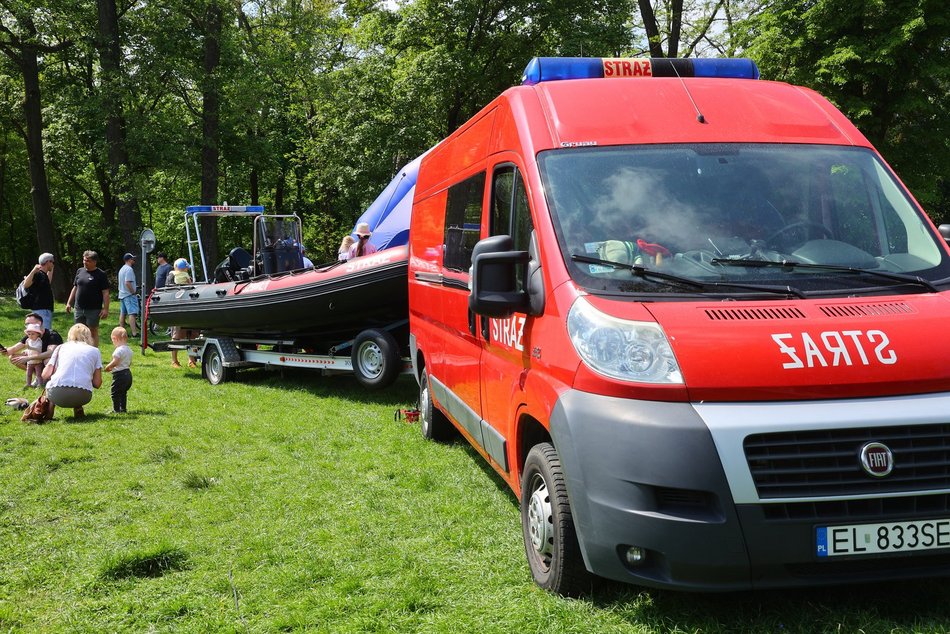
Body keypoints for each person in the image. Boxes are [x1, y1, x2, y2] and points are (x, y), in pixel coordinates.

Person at [41, 323, 102, 419]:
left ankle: (49, 411)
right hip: (83, 396)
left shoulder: (60, 347)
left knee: (52, 381)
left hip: (57, 395)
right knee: (79, 380)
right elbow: (97, 383)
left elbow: (45, 375)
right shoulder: (95, 351)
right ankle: (78, 408)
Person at [66, 250, 110, 348]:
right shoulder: (80, 271)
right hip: (79, 308)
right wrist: (69, 303)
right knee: (78, 330)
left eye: (88, 261)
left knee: (92, 331)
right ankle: (79, 351)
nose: (85, 262)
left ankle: (94, 353)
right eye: (84, 260)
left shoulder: (101, 274)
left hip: (93, 309)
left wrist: (106, 309)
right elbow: (75, 288)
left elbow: (105, 292)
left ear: (95, 262)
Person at [167, 258, 198, 369]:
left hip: (189, 309)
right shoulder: (171, 277)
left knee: (192, 336)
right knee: (176, 336)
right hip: (178, 310)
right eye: (186, 268)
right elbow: (169, 292)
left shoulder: (186, 276)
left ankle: (191, 360)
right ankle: (174, 361)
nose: (187, 269)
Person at [21, 253, 55, 330]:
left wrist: (52, 268)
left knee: (44, 331)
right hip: (41, 309)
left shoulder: (43, 275)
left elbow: (48, 282)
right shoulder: (37, 274)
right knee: (43, 332)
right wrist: (33, 271)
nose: (53, 264)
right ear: (47, 262)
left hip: (45, 309)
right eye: (52, 262)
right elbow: (26, 284)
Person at [104, 326, 133, 413]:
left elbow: (116, 362)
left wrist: (108, 366)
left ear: (115, 339)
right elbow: (129, 362)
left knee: (115, 393)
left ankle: (116, 409)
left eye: (112, 341)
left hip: (119, 375)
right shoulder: (129, 350)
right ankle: (123, 408)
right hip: (128, 374)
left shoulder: (118, 351)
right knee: (123, 392)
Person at [117, 252, 140, 338]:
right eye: (132, 259)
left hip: (122, 294)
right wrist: (133, 291)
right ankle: (134, 333)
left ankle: (121, 332)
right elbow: (127, 282)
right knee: (132, 313)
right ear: (129, 260)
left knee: (123, 313)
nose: (133, 260)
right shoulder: (129, 269)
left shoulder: (122, 269)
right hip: (129, 295)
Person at [22, 323, 45, 388]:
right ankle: (28, 384)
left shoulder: (39, 341)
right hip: (30, 361)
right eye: (29, 334)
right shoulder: (28, 340)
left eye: (33, 334)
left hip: (37, 361)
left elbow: (38, 349)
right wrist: (26, 351)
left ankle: (40, 385)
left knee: (38, 374)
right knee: (28, 374)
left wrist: (30, 347)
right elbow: (28, 349)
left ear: (38, 334)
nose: (30, 336)